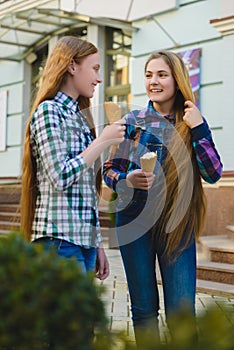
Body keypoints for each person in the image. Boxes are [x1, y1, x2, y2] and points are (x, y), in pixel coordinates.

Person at [103, 50, 223, 346]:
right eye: (148, 75)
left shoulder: (191, 121)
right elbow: (109, 170)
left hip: (177, 223)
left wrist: (199, 129)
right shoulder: (133, 121)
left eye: (161, 75)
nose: (153, 81)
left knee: (181, 313)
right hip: (133, 221)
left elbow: (213, 173)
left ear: (177, 79)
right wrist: (125, 180)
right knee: (143, 311)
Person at [20, 35, 126, 280]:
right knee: (68, 319)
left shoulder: (79, 116)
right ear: (72, 66)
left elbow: (86, 190)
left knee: (79, 319)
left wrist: (96, 243)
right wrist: (102, 142)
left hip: (82, 241)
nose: (99, 78)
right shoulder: (48, 111)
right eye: (95, 69)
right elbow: (60, 176)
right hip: (58, 241)